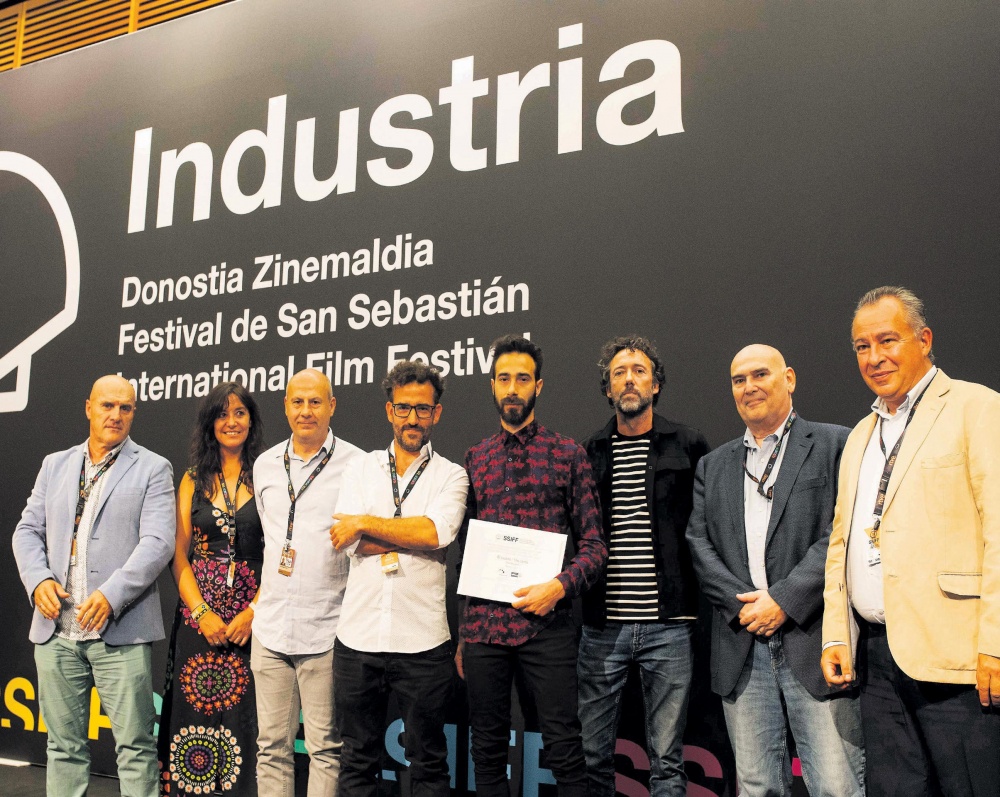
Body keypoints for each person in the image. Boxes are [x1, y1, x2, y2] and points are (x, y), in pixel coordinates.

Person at [822, 286, 1000, 797]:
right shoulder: (860, 434)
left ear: (924, 340)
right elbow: (841, 542)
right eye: (862, 346)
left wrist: (994, 644)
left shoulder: (976, 408)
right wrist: (836, 635)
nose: (874, 357)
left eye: (887, 340)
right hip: (878, 661)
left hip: (959, 659)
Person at [686, 345, 863, 797]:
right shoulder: (713, 465)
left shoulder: (835, 444)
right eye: (738, 380)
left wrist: (783, 600)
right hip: (742, 644)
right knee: (757, 786)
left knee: (836, 786)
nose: (749, 387)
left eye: (760, 374)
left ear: (789, 378)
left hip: (815, 640)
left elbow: (842, 533)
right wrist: (747, 608)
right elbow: (699, 544)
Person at [457, 334, 608, 797]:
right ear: (492, 385)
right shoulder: (475, 458)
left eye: (522, 379)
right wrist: (463, 634)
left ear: (538, 386)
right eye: (503, 378)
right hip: (484, 629)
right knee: (485, 752)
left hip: (548, 626)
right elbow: (466, 552)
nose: (512, 388)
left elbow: (595, 546)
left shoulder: (568, 454)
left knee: (564, 749)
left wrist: (558, 587)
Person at [12, 375, 175, 796]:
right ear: (89, 407)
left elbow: (159, 543)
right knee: (63, 748)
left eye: (125, 408)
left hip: (119, 630)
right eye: (107, 405)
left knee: (135, 748)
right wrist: (38, 580)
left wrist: (111, 595)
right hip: (56, 632)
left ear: (133, 413)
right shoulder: (55, 464)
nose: (115, 415)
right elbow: (27, 531)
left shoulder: (153, 468)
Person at [578, 336, 710, 797]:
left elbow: (708, 528)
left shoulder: (689, 444)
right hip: (602, 626)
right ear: (608, 388)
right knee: (591, 755)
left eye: (639, 371)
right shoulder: (589, 451)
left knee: (667, 761)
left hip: (670, 626)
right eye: (619, 372)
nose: (629, 379)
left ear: (655, 385)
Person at [329, 361, 468, 796]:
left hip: (423, 643)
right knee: (356, 761)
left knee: (429, 764)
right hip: (357, 640)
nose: (412, 418)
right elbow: (347, 540)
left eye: (422, 409)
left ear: (436, 414)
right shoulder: (360, 468)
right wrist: (411, 537)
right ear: (390, 410)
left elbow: (436, 533)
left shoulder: (452, 475)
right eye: (404, 408)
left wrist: (366, 523)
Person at [251, 368, 363, 797]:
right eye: (297, 402)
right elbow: (270, 536)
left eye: (315, 402)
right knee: (271, 748)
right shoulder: (265, 464)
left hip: (327, 628)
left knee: (326, 749)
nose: (306, 411)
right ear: (285, 406)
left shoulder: (357, 465)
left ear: (331, 406)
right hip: (271, 627)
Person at [158, 382, 265, 795]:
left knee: (246, 719)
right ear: (210, 424)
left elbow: (281, 552)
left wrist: (254, 612)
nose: (231, 422)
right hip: (197, 620)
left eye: (239, 413)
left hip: (252, 620)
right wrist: (201, 612)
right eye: (222, 414)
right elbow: (178, 553)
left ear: (251, 421)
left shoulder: (269, 475)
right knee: (193, 717)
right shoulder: (192, 479)